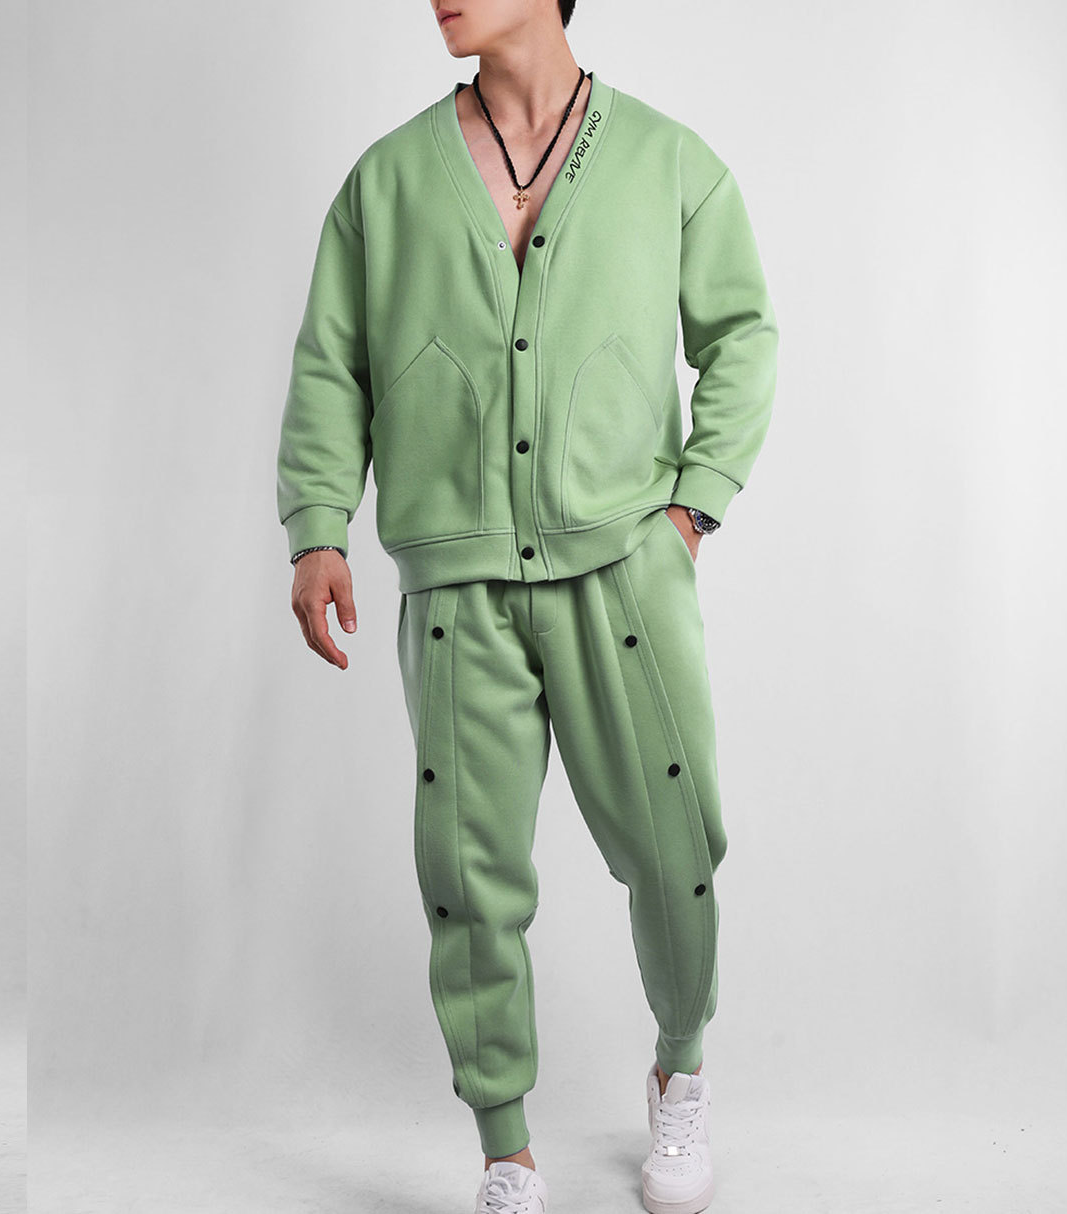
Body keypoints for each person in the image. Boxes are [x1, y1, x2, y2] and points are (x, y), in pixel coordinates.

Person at [275, 1, 778, 1209]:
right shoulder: (385, 183)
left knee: (674, 844)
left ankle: (680, 1066)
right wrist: (317, 525)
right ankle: (505, 1148)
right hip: (456, 587)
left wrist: (692, 505)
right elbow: (330, 362)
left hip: (623, 569)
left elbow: (742, 334)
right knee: (468, 873)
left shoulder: (667, 161)